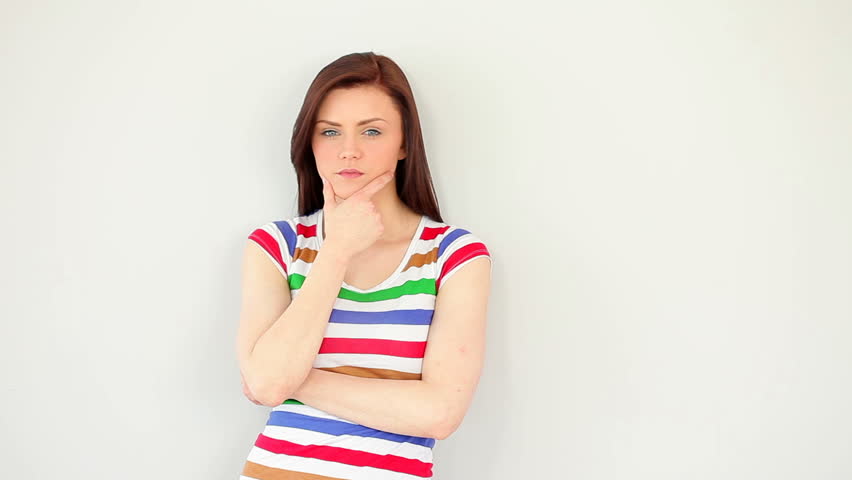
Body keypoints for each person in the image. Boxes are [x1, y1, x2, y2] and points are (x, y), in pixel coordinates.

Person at [235, 51, 493, 480]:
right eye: (330, 131)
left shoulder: (454, 255)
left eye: (371, 131)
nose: (349, 151)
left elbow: (440, 413)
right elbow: (264, 381)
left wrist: (289, 381)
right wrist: (336, 251)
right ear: (309, 142)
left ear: (405, 142)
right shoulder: (277, 245)